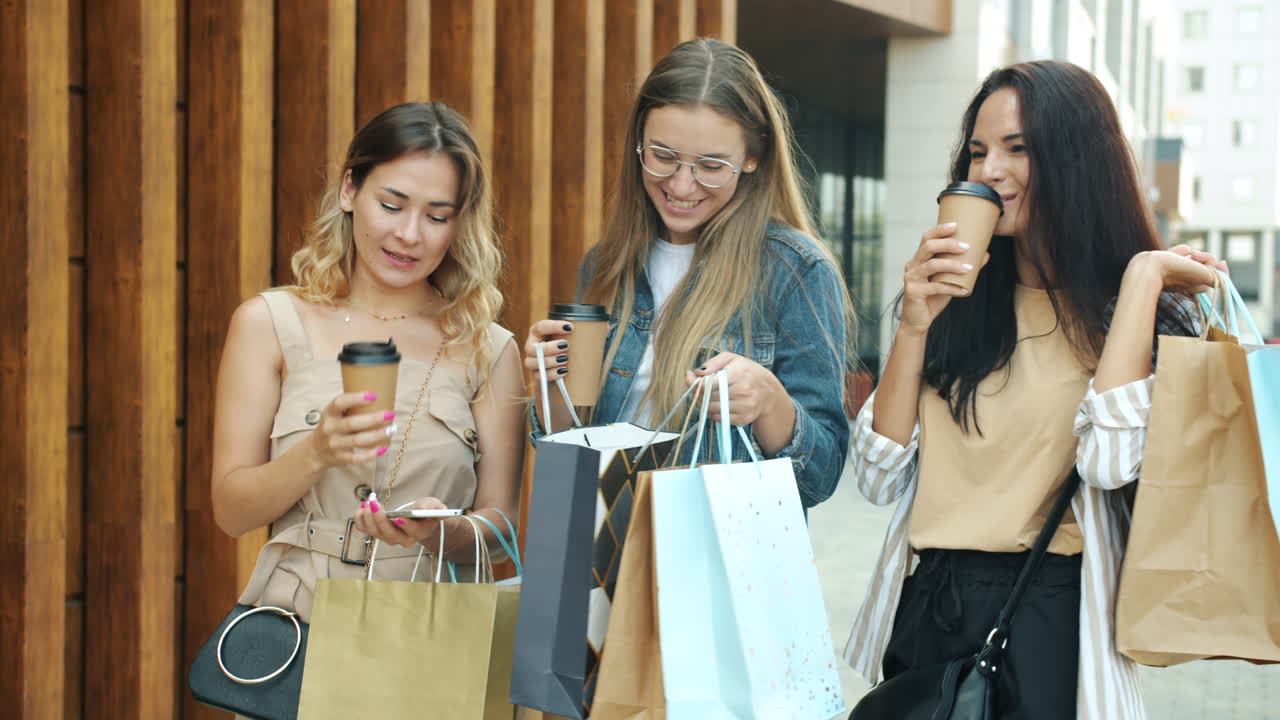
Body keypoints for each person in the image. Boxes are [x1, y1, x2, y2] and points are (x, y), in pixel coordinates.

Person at [843, 61, 1227, 719]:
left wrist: (1139, 282)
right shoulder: (948, 305)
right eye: (979, 150)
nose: (991, 170)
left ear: (1076, 158)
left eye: (1018, 149)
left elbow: (1107, 463)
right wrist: (912, 324)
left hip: (1051, 611)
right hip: (931, 601)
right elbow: (877, 480)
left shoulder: (1145, 317)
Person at [211, 102, 525, 626]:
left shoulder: (487, 348)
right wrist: (315, 452)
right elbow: (231, 511)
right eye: (392, 204)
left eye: (437, 216)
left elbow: (500, 531)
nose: (409, 234)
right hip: (295, 631)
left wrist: (440, 530)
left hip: (429, 637)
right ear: (350, 190)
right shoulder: (268, 323)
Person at [523, 37, 853, 504]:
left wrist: (769, 401)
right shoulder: (604, 264)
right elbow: (568, 455)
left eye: (711, 165)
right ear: (638, 142)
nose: (681, 185)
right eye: (663, 156)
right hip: (604, 559)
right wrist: (547, 384)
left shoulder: (795, 270)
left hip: (718, 563)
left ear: (753, 157)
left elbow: (820, 478)